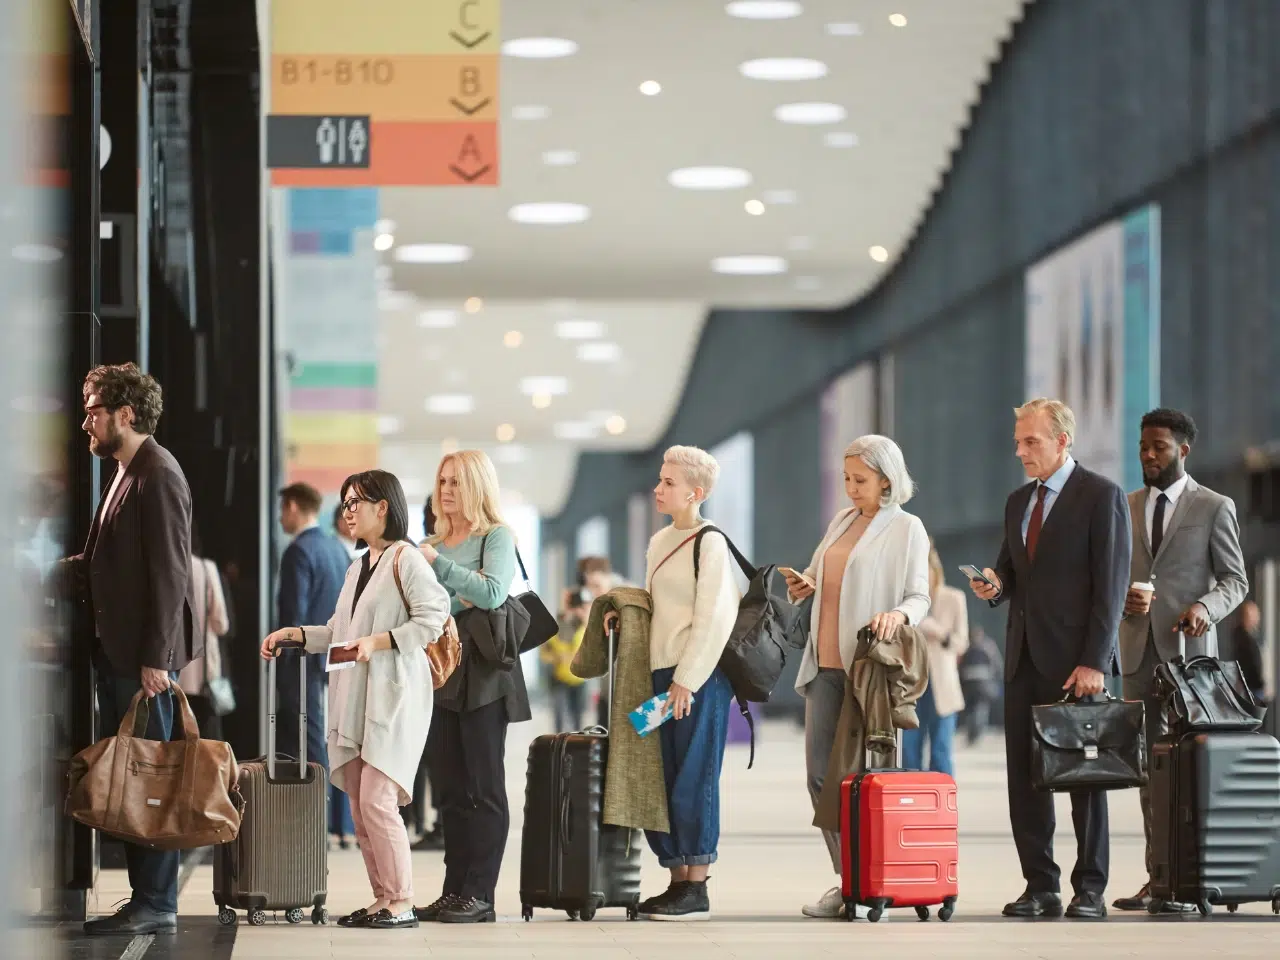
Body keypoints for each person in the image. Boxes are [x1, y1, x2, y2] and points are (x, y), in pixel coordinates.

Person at [261, 470, 451, 930]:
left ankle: (402, 901)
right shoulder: (359, 564)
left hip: (394, 697)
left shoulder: (406, 558)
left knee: (378, 801)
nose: (346, 513)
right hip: (358, 698)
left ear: (381, 507)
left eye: (354, 503)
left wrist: (380, 641)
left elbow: (435, 615)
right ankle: (383, 897)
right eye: (344, 504)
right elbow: (341, 633)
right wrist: (297, 635)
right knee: (360, 804)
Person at [969, 398, 1130, 920]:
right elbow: (1009, 575)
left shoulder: (1100, 497)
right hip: (1023, 660)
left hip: (1076, 665)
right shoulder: (1018, 502)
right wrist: (992, 588)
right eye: (1017, 442)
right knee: (1026, 780)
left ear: (1062, 440)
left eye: (1030, 441)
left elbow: (1110, 589)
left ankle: (1090, 889)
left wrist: (1095, 662)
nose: (1020, 451)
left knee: (1085, 781)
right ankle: (1041, 885)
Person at [65, 363, 198, 936]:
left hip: (142, 661)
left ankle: (157, 902)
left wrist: (156, 659)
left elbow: (171, 574)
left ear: (126, 413)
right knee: (138, 773)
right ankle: (149, 896)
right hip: (123, 652)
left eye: (93, 409)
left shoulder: (157, 473)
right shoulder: (126, 471)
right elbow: (100, 563)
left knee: (149, 776)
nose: (85, 421)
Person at [782, 435, 932, 920]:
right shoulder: (841, 521)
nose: (851, 488)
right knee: (820, 777)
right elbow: (823, 574)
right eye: (846, 478)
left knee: (867, 780)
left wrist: (897, 615)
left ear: (887, 480)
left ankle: (874, 883)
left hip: (868, 669)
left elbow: (919, 597)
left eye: (860, 480)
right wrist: (805, 585)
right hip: (824, 664)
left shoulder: (907, 528)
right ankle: (851, 881)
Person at [1111, 408, 1249, 914]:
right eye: (1143, 446)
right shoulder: (1123, 506)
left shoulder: (1214, 506)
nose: (1148, 455)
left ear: (1183, 450)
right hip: (1137, 655)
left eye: (1159, 447)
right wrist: (1123, 598)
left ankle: (1196, 880)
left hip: (1190, 663)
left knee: (1191, 770)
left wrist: (1203, 609)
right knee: (1149, 772)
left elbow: (1235, 580)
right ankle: (1160, 879)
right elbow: (1109, 577)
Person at [607, 445, 740, 922]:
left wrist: (686, 680)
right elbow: (655, 606)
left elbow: (714, 618)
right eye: (660, 480)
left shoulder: (711, 542)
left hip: (698, 678)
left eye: (668, 482)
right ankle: (676, 880)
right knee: (660, 777)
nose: (658, 488)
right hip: (660, 677)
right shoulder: (661, 542)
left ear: (695, 493)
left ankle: (697, 885)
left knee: (694, 777)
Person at [415, 451, 530, 924]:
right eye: (442, 481)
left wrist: (441, 569)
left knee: (483, 786)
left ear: (477, 486)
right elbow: (425, 607)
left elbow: (492, 592)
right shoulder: (430, 540)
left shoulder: (495, 536)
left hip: (483, 674)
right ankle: (454, 888)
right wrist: (455, 589)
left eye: (456, 482)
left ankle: (480, 893)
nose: (445, 490)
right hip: (440, 672)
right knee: (449, 788)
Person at [277, 483, 353, 786]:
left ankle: (314, 824)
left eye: (283, 509)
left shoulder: (298, 551)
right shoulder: (336, 549)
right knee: (330, 740)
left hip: (304, 663)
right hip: (336, 659)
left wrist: (282, 664)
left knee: (307, 743)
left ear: (293, 507)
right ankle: (333, 824)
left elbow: (293, 617)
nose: (281, 517)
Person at [902, 541, 969, 777]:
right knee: (909, 752)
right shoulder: (905, 602)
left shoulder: (954, 597)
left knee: (940, 750)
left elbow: (962, 642)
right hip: (911, 685)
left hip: (944, 686)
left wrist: (938, 632)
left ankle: (942, 807)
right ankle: (911, 805)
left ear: (935, 571)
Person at [177, 530, 231, 740]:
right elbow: (221, 624)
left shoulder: (167, 566)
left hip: (174, 670)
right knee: (206, 735)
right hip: (203, 672)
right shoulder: (207, 569)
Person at [544, 587, 590, 732]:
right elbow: (546, 650)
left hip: (579, 678)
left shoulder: (587, 625)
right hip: (559, 677)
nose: (578, 610)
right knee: (560, 717)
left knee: (577, 718)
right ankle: (559, 747)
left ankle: (575, 745)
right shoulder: (559, 624)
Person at [958, 627, 1001, 745]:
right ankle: (976, 733)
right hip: (983, 683)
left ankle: (972, 734)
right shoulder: (989, 646)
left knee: (971, 709)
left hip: (968, 683)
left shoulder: (966, 645)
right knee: (981, 708)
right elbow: (997, 665)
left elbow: (959, 665)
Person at [1233, 600, 1266, 704]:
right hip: (1250, 688)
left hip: (1257, 687)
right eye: (1250, 615)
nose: (1255, 617)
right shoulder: (1241, 637)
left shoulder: (1255, 635)